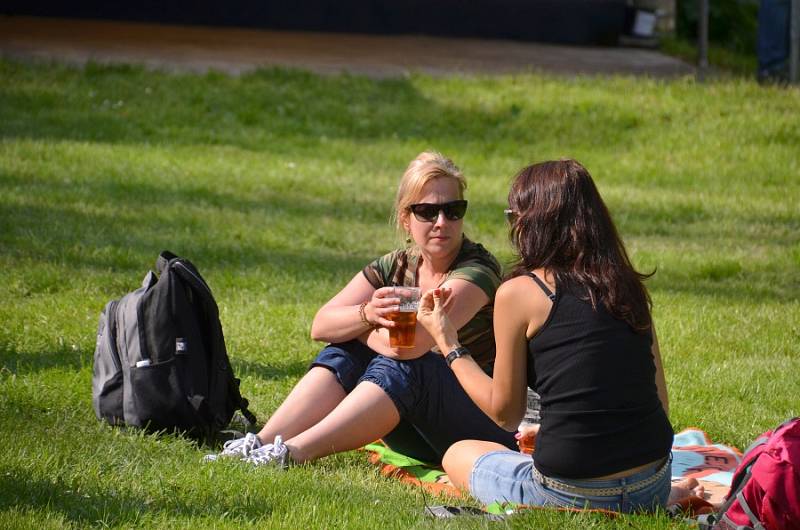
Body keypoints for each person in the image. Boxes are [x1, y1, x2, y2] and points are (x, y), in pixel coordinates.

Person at [205, 151, 516, 466]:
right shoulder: (396, 264)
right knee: (345, 345)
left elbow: (412, 346)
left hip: (478, 430)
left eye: (453, 210)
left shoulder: (477, 270)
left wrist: (363, 327)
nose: (441, 222)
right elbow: (321, 324)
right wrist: (366, 315)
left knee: (402, 362)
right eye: (427, 211)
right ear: (406, 219)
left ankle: (291, 454)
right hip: (415, 422)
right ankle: (262, 442)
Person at [416, 159, 674, 512]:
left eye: (513, 217)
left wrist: (448, 341)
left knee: (458, 453)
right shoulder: (627, 285)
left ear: (531, 223)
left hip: (570, 493)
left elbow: (505, 414)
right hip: (652, 485)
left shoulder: (521, 292)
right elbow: (659, 401)